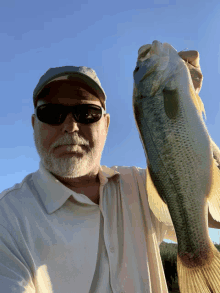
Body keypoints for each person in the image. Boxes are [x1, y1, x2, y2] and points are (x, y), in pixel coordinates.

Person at [0, 50, 218, 293]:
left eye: (87, 113)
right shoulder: (6, 218)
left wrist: (189, 112)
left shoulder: (141, 186)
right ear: (34, 125)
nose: (70, 126)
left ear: (105, 125)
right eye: (51, 114)